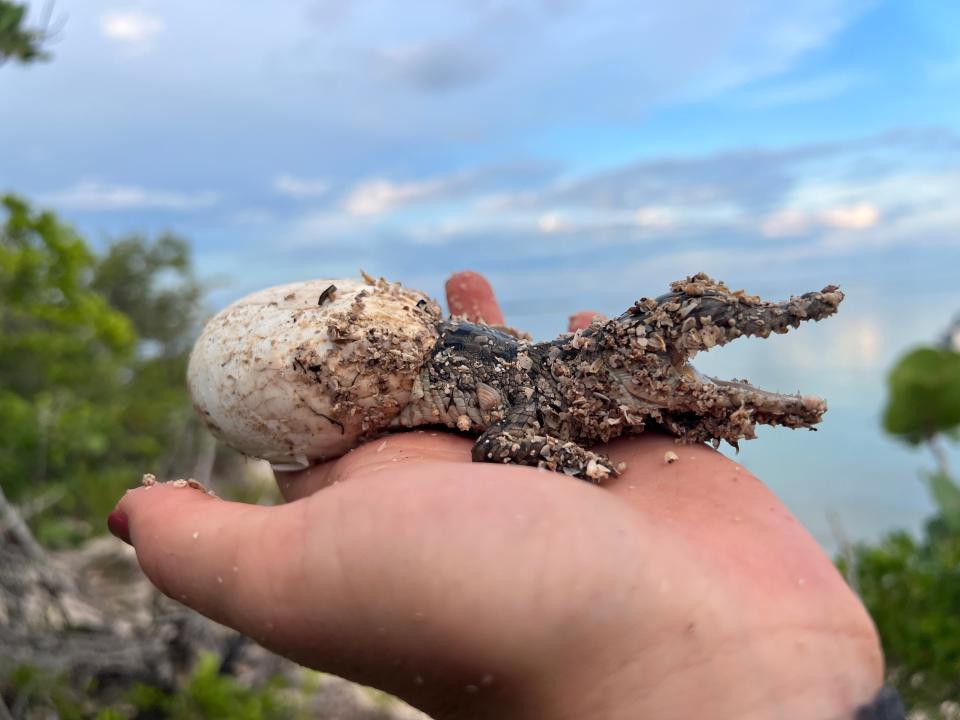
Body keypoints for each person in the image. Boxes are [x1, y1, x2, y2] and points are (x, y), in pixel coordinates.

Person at [108, 272, 900, 720]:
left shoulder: (541, 367)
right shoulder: (519, 393)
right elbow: (497, 442)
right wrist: (580, 465)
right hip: (384, 368)